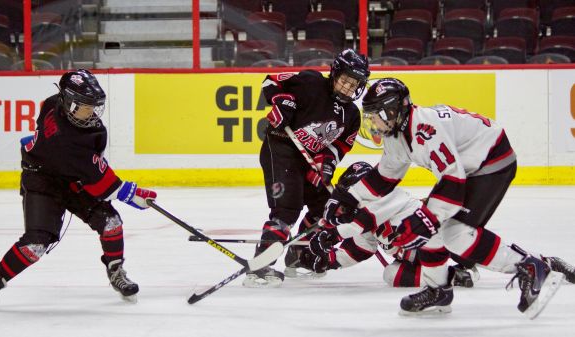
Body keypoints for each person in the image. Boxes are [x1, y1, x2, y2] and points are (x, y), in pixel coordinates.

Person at [319, 78, 574, 318]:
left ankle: (530, 266)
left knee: (455, 234)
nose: (374, 123)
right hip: (468, 168)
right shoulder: (397, 134)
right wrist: (346, 199)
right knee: (435, 229)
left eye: (376, 115)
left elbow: (453, 181)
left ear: (393, 110)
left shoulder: (425, 128)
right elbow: (384, 178)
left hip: (491, 161)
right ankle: (438, 290)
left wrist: (427, 218)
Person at [0, 69, 157, 311]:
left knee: (111, 223)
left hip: (74, 180)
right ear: (67, 101)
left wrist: (116, 186)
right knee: (35, 244)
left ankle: (116, 271)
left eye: (94, 106)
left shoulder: (53, 104)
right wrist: (131, 193)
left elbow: (92, 167)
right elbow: (99, 181)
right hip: (42, 180)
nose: (91, 113)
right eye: (85, 106)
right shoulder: (65, 137)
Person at [242, 49, 370, 288]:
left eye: (354, 84)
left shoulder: (352, 115)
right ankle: (260, 266)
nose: (347, 87)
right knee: (287, 209)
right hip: (280, 148)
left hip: (309, 160)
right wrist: (282, 103)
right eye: (345, 80)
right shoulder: (310, 81)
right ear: (334, 74)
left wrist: (326, 164)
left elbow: (339, 146)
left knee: (328, 207)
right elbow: (272, 82)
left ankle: (298, 256)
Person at [297, 162, 476, 288]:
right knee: (391, 274)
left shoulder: (390, 196)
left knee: (466, 249)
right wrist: (329, 261)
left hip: (435, 243)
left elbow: (366, 220)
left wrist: (333, 234)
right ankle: (452, 277)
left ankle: (477, 255)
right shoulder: (359, 217)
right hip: (415, 258)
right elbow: (361, 248)